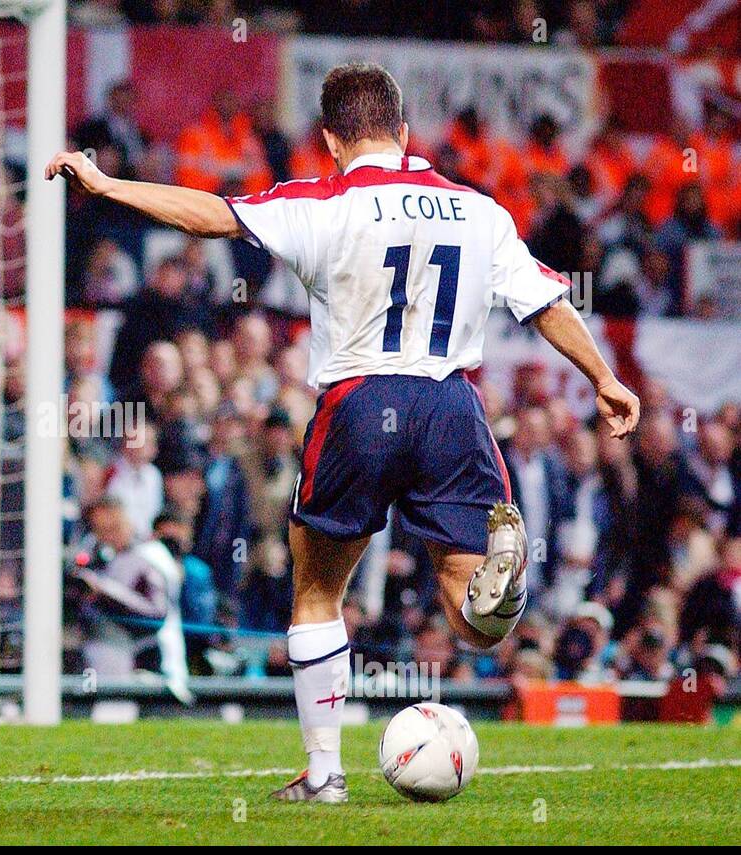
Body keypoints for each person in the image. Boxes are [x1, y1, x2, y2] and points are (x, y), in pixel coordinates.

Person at [46, 61, 640, 804]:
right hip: (452, 407)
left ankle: (325, 772)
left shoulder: (321, 200)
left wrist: (107, 185)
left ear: (330, 139)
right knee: (472, 623)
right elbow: (546, 301)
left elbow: (208, 213)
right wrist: (605, 379)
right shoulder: (478, 210)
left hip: (359, 403)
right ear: (404, 132)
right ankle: (505, 594)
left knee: (318, 586)